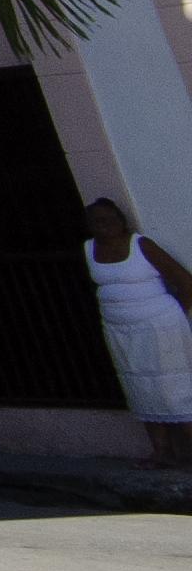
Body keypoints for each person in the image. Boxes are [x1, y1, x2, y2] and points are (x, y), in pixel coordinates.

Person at [85, 198, 192, 466]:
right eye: (97, 221)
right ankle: (162, 452)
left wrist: (172, 314)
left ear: (121, 221)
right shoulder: (89, 250)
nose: (104, 226)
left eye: (110, 220)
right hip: (121, 332)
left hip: (159, 329)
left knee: (174, 389)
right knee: (140, 387)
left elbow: (185, 282)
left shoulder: (141, 245)